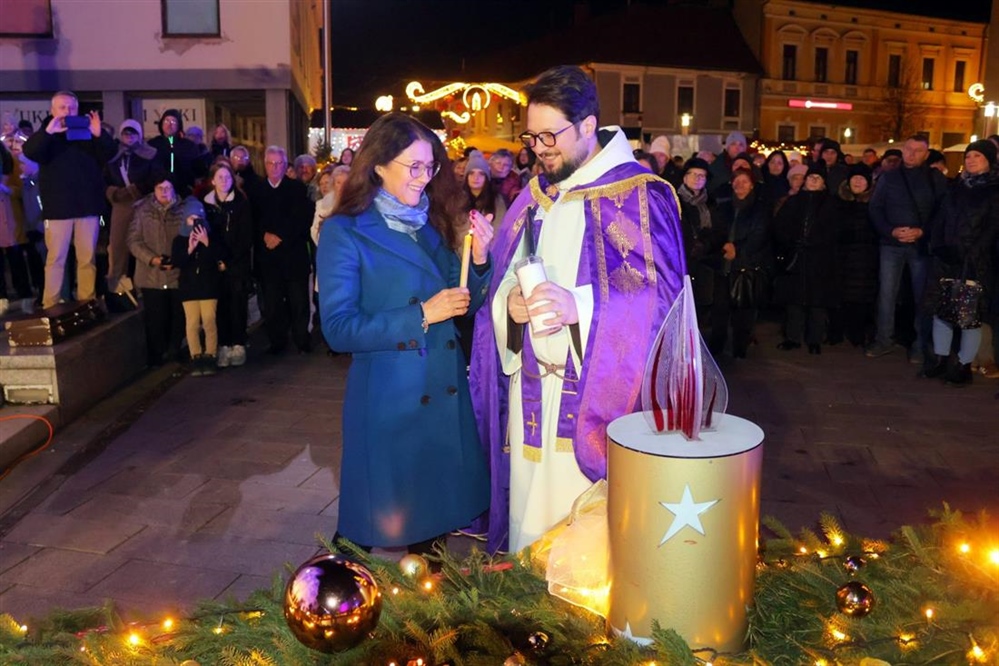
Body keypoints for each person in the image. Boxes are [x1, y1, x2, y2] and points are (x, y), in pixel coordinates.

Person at [470, 65, 686, 553]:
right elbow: (507, 278)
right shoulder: (535, 194)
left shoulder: (638, 195)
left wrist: (580, 306)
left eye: (550, 134)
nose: (539, 147)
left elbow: (662, 305)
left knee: (582, 547)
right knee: (528, 532)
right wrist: (512, 306)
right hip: (529, 398)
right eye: (532, 135)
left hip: (592, 401)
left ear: (588, 126)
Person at [317, 112, 493, 554]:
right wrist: (421, 316)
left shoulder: (428, 224)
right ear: (378, 165)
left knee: (432, 525)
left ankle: (431, 620)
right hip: (390, 404)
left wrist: (483, 257)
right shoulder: (345, 231)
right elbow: (338, 329)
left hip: (441, 391)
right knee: (370, 525)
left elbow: (461, 297)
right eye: (412, 166)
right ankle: (328, 603)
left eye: (429, 167)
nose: (424, 177)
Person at [22, 90, 115, 310]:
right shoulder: (46, 134)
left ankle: (87, 301)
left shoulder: (87, 132)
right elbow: (31, 152)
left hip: (87, 206)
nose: (68, 111)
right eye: (62, 107)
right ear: (52, 110)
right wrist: (48, 132)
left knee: (87, 259)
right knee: (56, 259)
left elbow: (109, 153)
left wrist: (99, 134)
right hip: (58, 208)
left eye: (71, 107)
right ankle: (50, 303)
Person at [921, 140, 999, 385]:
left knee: (968, 315)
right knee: (941, 311)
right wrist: (938, 245)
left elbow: (992, 228)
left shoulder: (994, 190)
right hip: (946, 259)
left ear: (989, 160)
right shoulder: (955, 188)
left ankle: (964, 364)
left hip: (974, 262)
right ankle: (941, 359)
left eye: (977, 156)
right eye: (968, 156)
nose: (971, 160)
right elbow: (940, 219)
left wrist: (972, 254)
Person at [866, 135, 947, 366]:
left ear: (927, 154)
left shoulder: (935, 179)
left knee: (922, 296)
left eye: (917, 150)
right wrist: (890, 231)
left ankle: (920, 345)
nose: (911, 154)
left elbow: (942, 213)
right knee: (886, 294)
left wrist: (922, 232)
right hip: (891, 244)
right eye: (908, 149)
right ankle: (883, 339)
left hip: (920, 246)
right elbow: (875, 209)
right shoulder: (888, 177)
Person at [249, 146, 315, 354]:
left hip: (293, 255)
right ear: (265, 164)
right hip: (268, 258)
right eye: (270, 163)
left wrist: (281, 236)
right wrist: (264, 235)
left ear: (285, 165)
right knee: (272, 304)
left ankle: (302, 340)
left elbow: (302, 219)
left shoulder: (297, 188)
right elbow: (251, 220)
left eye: (279, 163)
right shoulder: (256, 189)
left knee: (299, 302)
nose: (275, 167)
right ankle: (277, 342)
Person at [772, 165, 839, 354]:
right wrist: (792, 241)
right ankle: (793, 337)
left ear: (824, 183)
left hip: (820, 259)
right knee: (794, 301)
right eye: (811, 177)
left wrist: (816, 242)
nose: (814, 180)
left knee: (817, 302)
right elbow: (780, 226)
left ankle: (814, 339)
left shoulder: (831, 204)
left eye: (818, 177)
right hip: (796, 256)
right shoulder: (793, 202)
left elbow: (835, 230)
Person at [709, 168, 771, 359]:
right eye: (737, 181)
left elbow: (759, 236)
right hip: (724, 266)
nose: (740, 185)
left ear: (751, 184)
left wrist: (737, 249)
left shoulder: (760, 209)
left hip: (746, 266)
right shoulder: (724, 207)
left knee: (743, 312)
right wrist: (723, 247)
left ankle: (739, 349)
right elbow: (716, 232)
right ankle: (716, 348)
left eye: (745, 181)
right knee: (720, 310)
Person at [128, 177, 185, 366]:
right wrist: (151, 259)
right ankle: (157, 354)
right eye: (160, 188)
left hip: (176, 274)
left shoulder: (183, 210)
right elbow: (134, 241)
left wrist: (177, 259)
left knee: (177, 315)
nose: (164, 192)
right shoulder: (142, 211)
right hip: (151, 275)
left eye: (168, 188)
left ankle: (174, 349)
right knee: (155, 317)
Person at [104, 119, 162, 297]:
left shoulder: (150, 154)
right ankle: (117, 288)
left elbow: (156, 177)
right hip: (120, 205)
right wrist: (115, 193)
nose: (129, 137)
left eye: (133, 133)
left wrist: (137, 190)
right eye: (126, 133)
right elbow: (105, 179)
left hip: (143, 203)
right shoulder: (113, 155)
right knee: (118, 246)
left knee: (144, 245)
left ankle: (145, 286)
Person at [203, 162, 253, 368]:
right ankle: (223, 345)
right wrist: (217, 259)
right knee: (220, 306)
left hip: (236, 263)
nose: (224, 181)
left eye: (227, 177)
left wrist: (230, 260)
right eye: (220, 177)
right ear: (213, 180)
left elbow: (245, 236)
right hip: (215, 264)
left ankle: (239, 343)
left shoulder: (241, 203)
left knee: (237, 304)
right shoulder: (205, 205)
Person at [171, 197, 224, 376]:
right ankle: (196, 356)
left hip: (208, 286)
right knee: (192, 323)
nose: (194, 222)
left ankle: (210, 355)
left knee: (209, 320)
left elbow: (217, 257)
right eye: (191, 219)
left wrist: (206, 243)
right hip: (189, 288)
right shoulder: (179, 240)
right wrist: (190, 249)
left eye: (198, 218)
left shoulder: (212, 237)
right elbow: (178, 262)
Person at [835, 163, 879, 347]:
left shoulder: (874, 204)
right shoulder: (838, 202)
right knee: (841, 294)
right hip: (842, 256)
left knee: (862, 297)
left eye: (862, 178)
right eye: (855, 178)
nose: (858, 182)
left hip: (865, 258)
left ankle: (857, 331)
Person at [148, 109, 206, 197]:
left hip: (183, 193)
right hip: (158, 193)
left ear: (179, 125)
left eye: (173, 121)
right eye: (166, 120)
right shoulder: (152, 144)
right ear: (161, 123)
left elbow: (198, 170)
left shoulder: (189, 146)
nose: (169, 124)